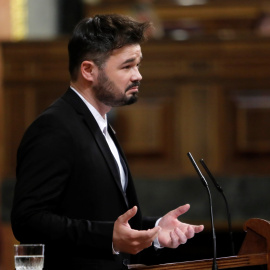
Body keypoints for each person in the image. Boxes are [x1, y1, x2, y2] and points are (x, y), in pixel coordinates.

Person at [11, 14, 204, 270]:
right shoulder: (54, 127)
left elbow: (104, 218)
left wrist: (155, 231)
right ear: (89, 70)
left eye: (138, 65)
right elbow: (27, 220)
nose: (138, 76)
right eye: (127, 66)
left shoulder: (100, 125)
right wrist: (108, 238)